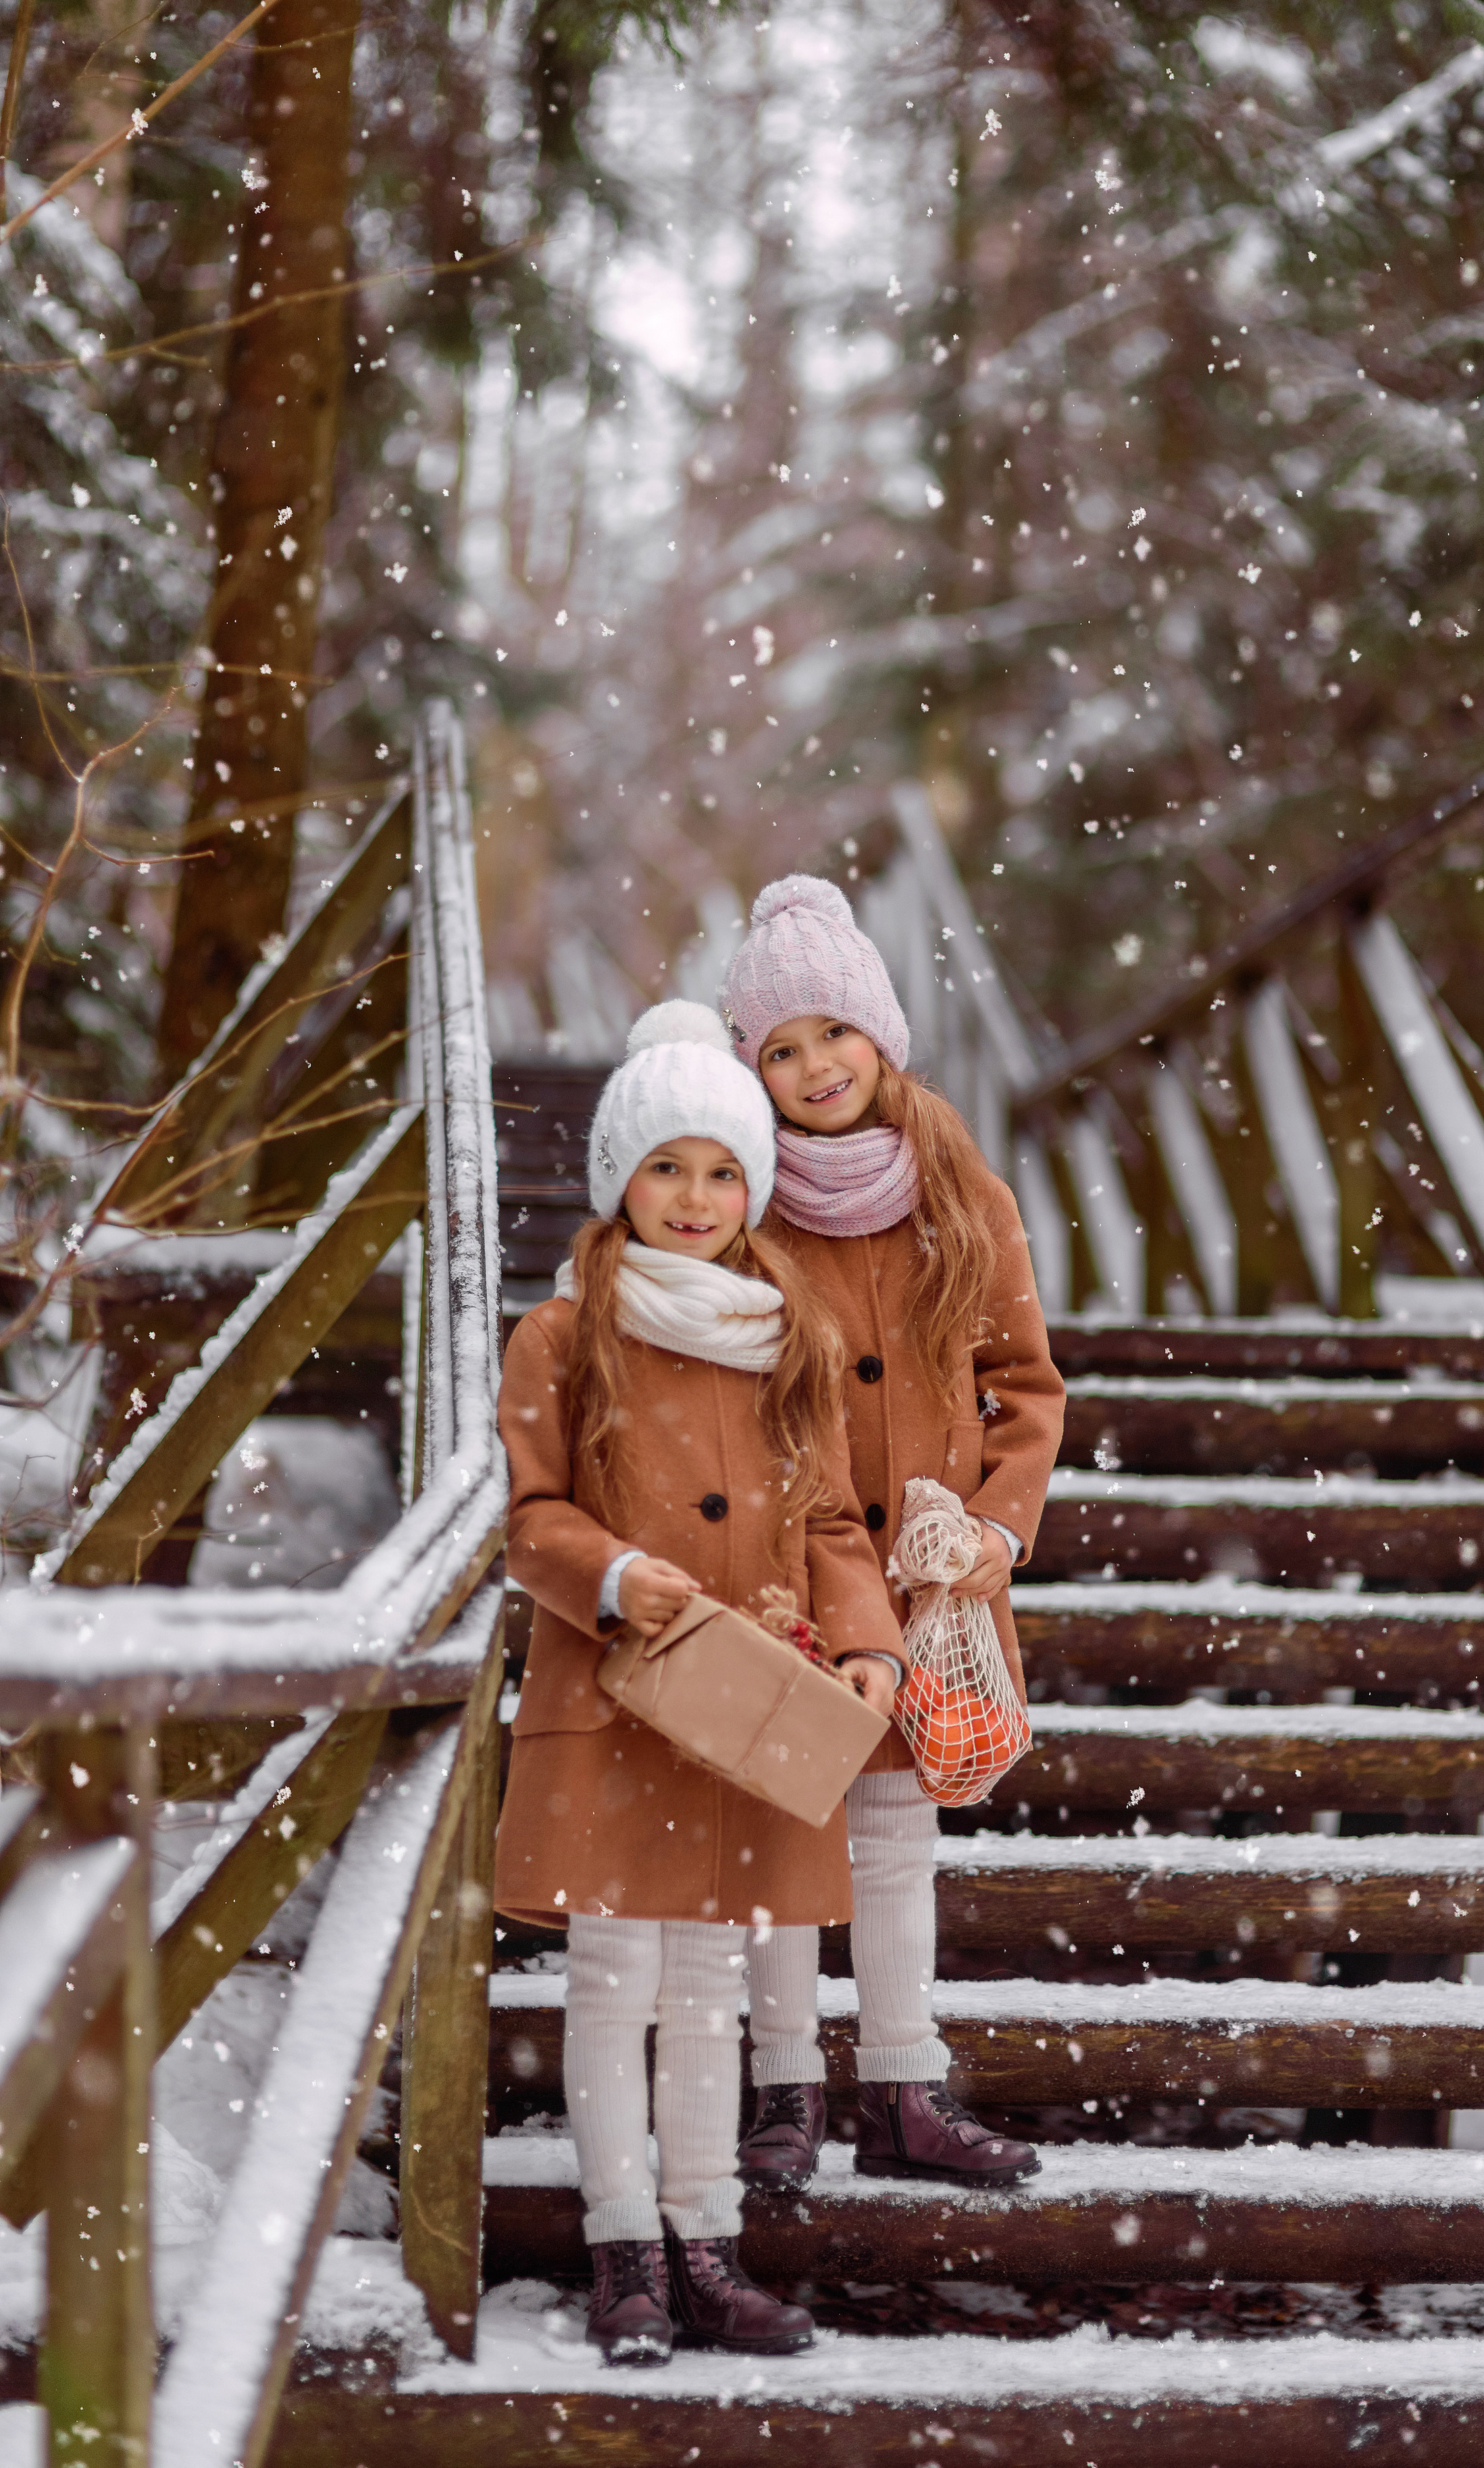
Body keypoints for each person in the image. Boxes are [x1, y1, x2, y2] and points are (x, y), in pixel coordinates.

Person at [494, 999, 906, 2365]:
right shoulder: (562, 1336)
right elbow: (526, 1515)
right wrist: (609, 1577)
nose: (694, 1197)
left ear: (753, 1190)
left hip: (747, 1704)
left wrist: (865, 1640)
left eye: (723, 1171)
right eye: (666, 1166)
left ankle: (708, 2252)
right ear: (621, 1179)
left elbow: (837, 1521)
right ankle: (625, 2261)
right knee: (615, 1982)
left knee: (714, 1991)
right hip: (622, 1699)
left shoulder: (786, 1336)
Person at [719, 878, 1066, 2192]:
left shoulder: (952, 1182)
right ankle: (783, 2088)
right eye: (779, 1048)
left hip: (931, 1584)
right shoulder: (741, 1196)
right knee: (782, 1828)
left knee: (897, 1831)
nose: (812, 1068)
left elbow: (1023, 1383)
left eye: (832, 1034)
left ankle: (904, 2089)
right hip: (787, 1570)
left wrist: (996, 1527)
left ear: (881, 1034)